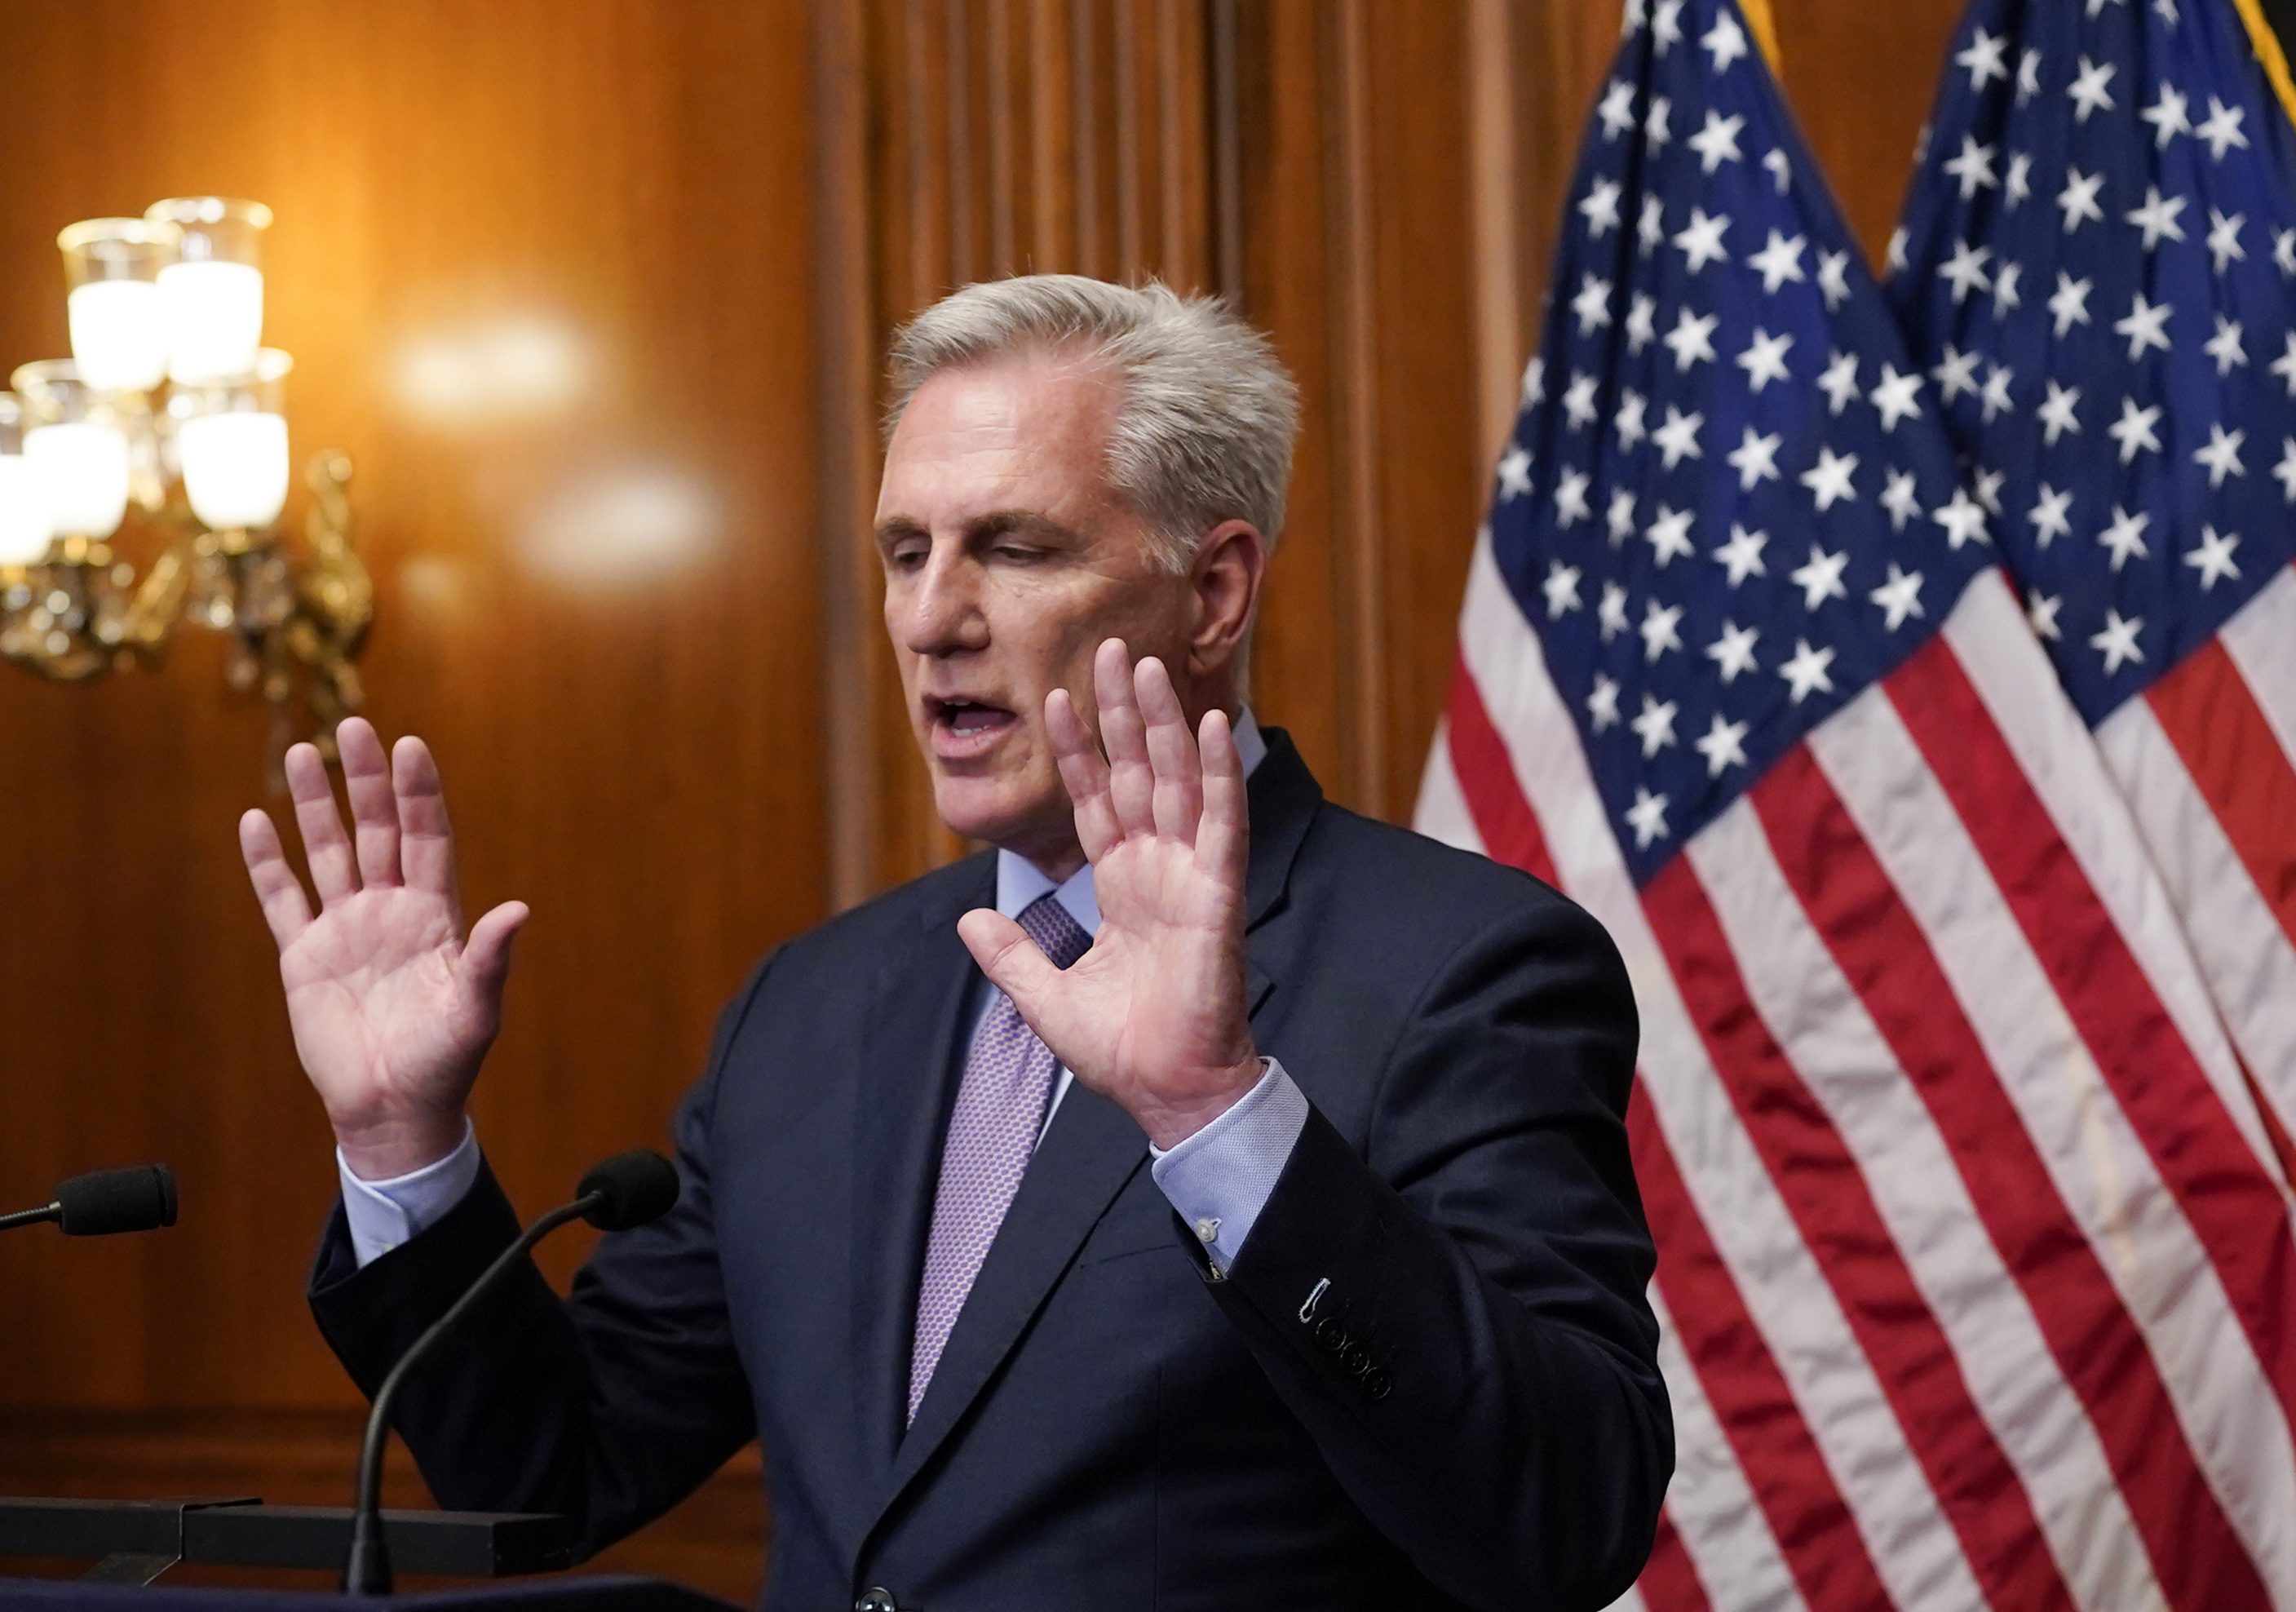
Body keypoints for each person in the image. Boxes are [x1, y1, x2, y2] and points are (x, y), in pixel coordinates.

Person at [240, 275, 1671, 1611]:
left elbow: (1565, 1518)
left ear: (1215, 592)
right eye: (905, 551)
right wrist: (401, 1142)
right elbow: (552, 1472)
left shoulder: (1464, 968)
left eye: (1016, 547)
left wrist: (1215, 1110)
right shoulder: (809, 1006)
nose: (931, 619)